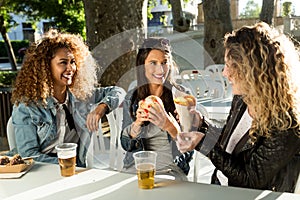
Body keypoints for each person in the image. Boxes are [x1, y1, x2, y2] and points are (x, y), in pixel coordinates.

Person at [176, 22, 300, 192]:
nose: (224, 73)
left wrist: (204, 144)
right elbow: (230, 141)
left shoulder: (286, 123)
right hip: (221, 187)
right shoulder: (243, 98)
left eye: (229, 65)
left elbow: (250, 179)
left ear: (252, 71)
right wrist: (202, 125)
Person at [9, 29, 125, 167]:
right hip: (39, 170)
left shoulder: (80, 96)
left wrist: (102, 107)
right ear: (46, 67)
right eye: (63, 62)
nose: (71, 68)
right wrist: (68, 163)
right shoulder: (27, 106)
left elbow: (118, 91)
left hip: (74, 169)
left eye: (73, 62)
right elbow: (29, 155)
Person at [120, 37, 193, 177]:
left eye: (164, 63)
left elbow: (189, 152)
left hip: (171, 169)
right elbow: (126, 145)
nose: (160, 70)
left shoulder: (181, 96)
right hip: (136, 168)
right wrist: (136, 126)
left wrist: (170, 126)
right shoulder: (132, 98)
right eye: (153, 63)